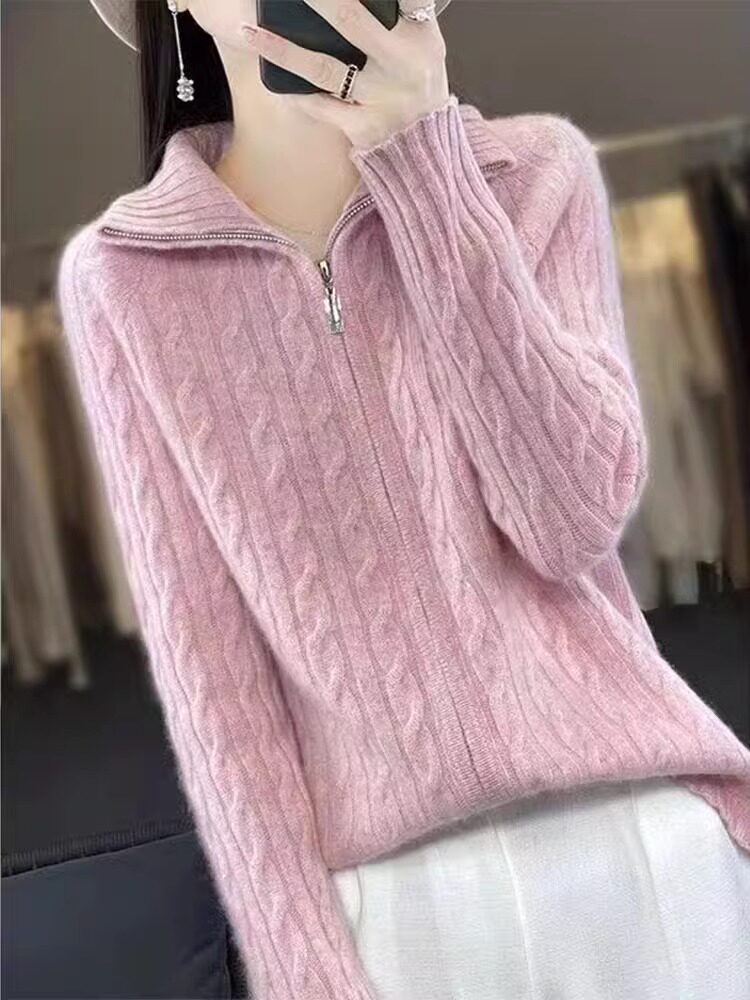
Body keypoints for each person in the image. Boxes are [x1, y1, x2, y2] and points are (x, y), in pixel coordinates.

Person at [57, 1, 750, 998]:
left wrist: (427, 170)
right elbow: (211, 673)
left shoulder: (531, 176)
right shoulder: (125, 278)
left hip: (644, 849)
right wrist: (303, 971)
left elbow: (573, 524)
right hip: (394, 915)